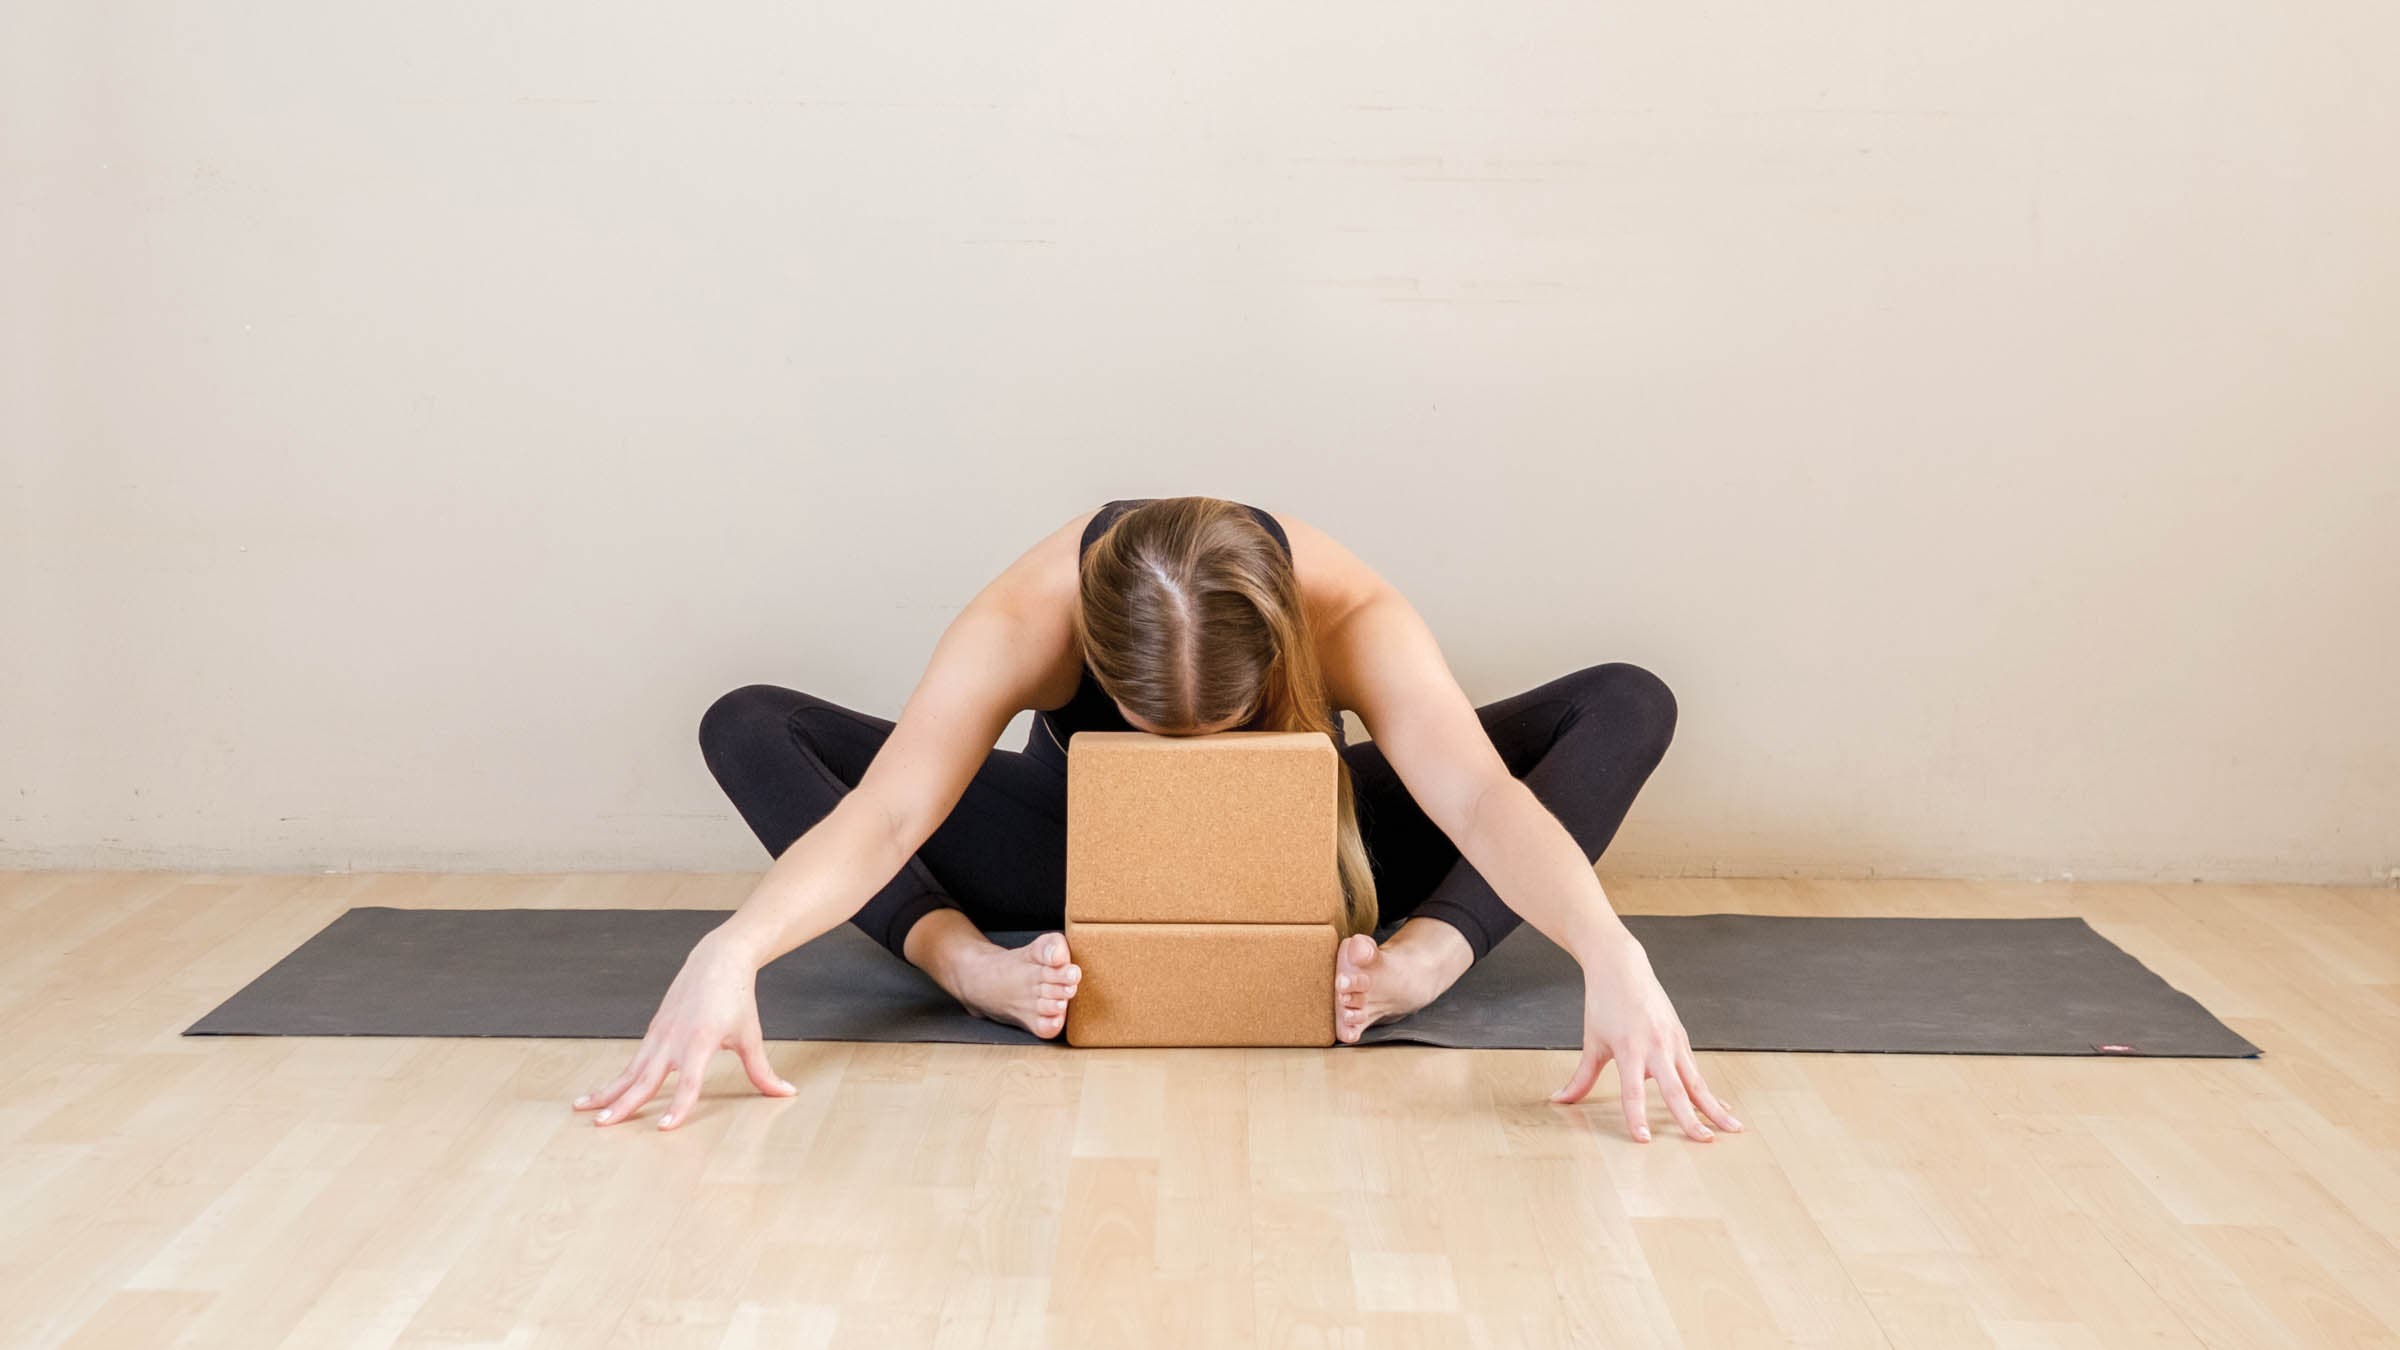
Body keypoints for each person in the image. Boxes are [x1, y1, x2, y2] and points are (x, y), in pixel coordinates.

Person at [572, 495, 1740, 1143]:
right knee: (751, 720)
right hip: (1078, 850)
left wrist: (1610, 949)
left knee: (1626, 701)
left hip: (1315, 851)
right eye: (1148, 722)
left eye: (1220, 726)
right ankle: (970, 964)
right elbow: (885, 818)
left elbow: (1481, 799)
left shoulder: (1350, 606)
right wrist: (733, 948)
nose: (1190, 760)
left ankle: (1423, 961)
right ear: (1088, 649)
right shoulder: (1026, 614)